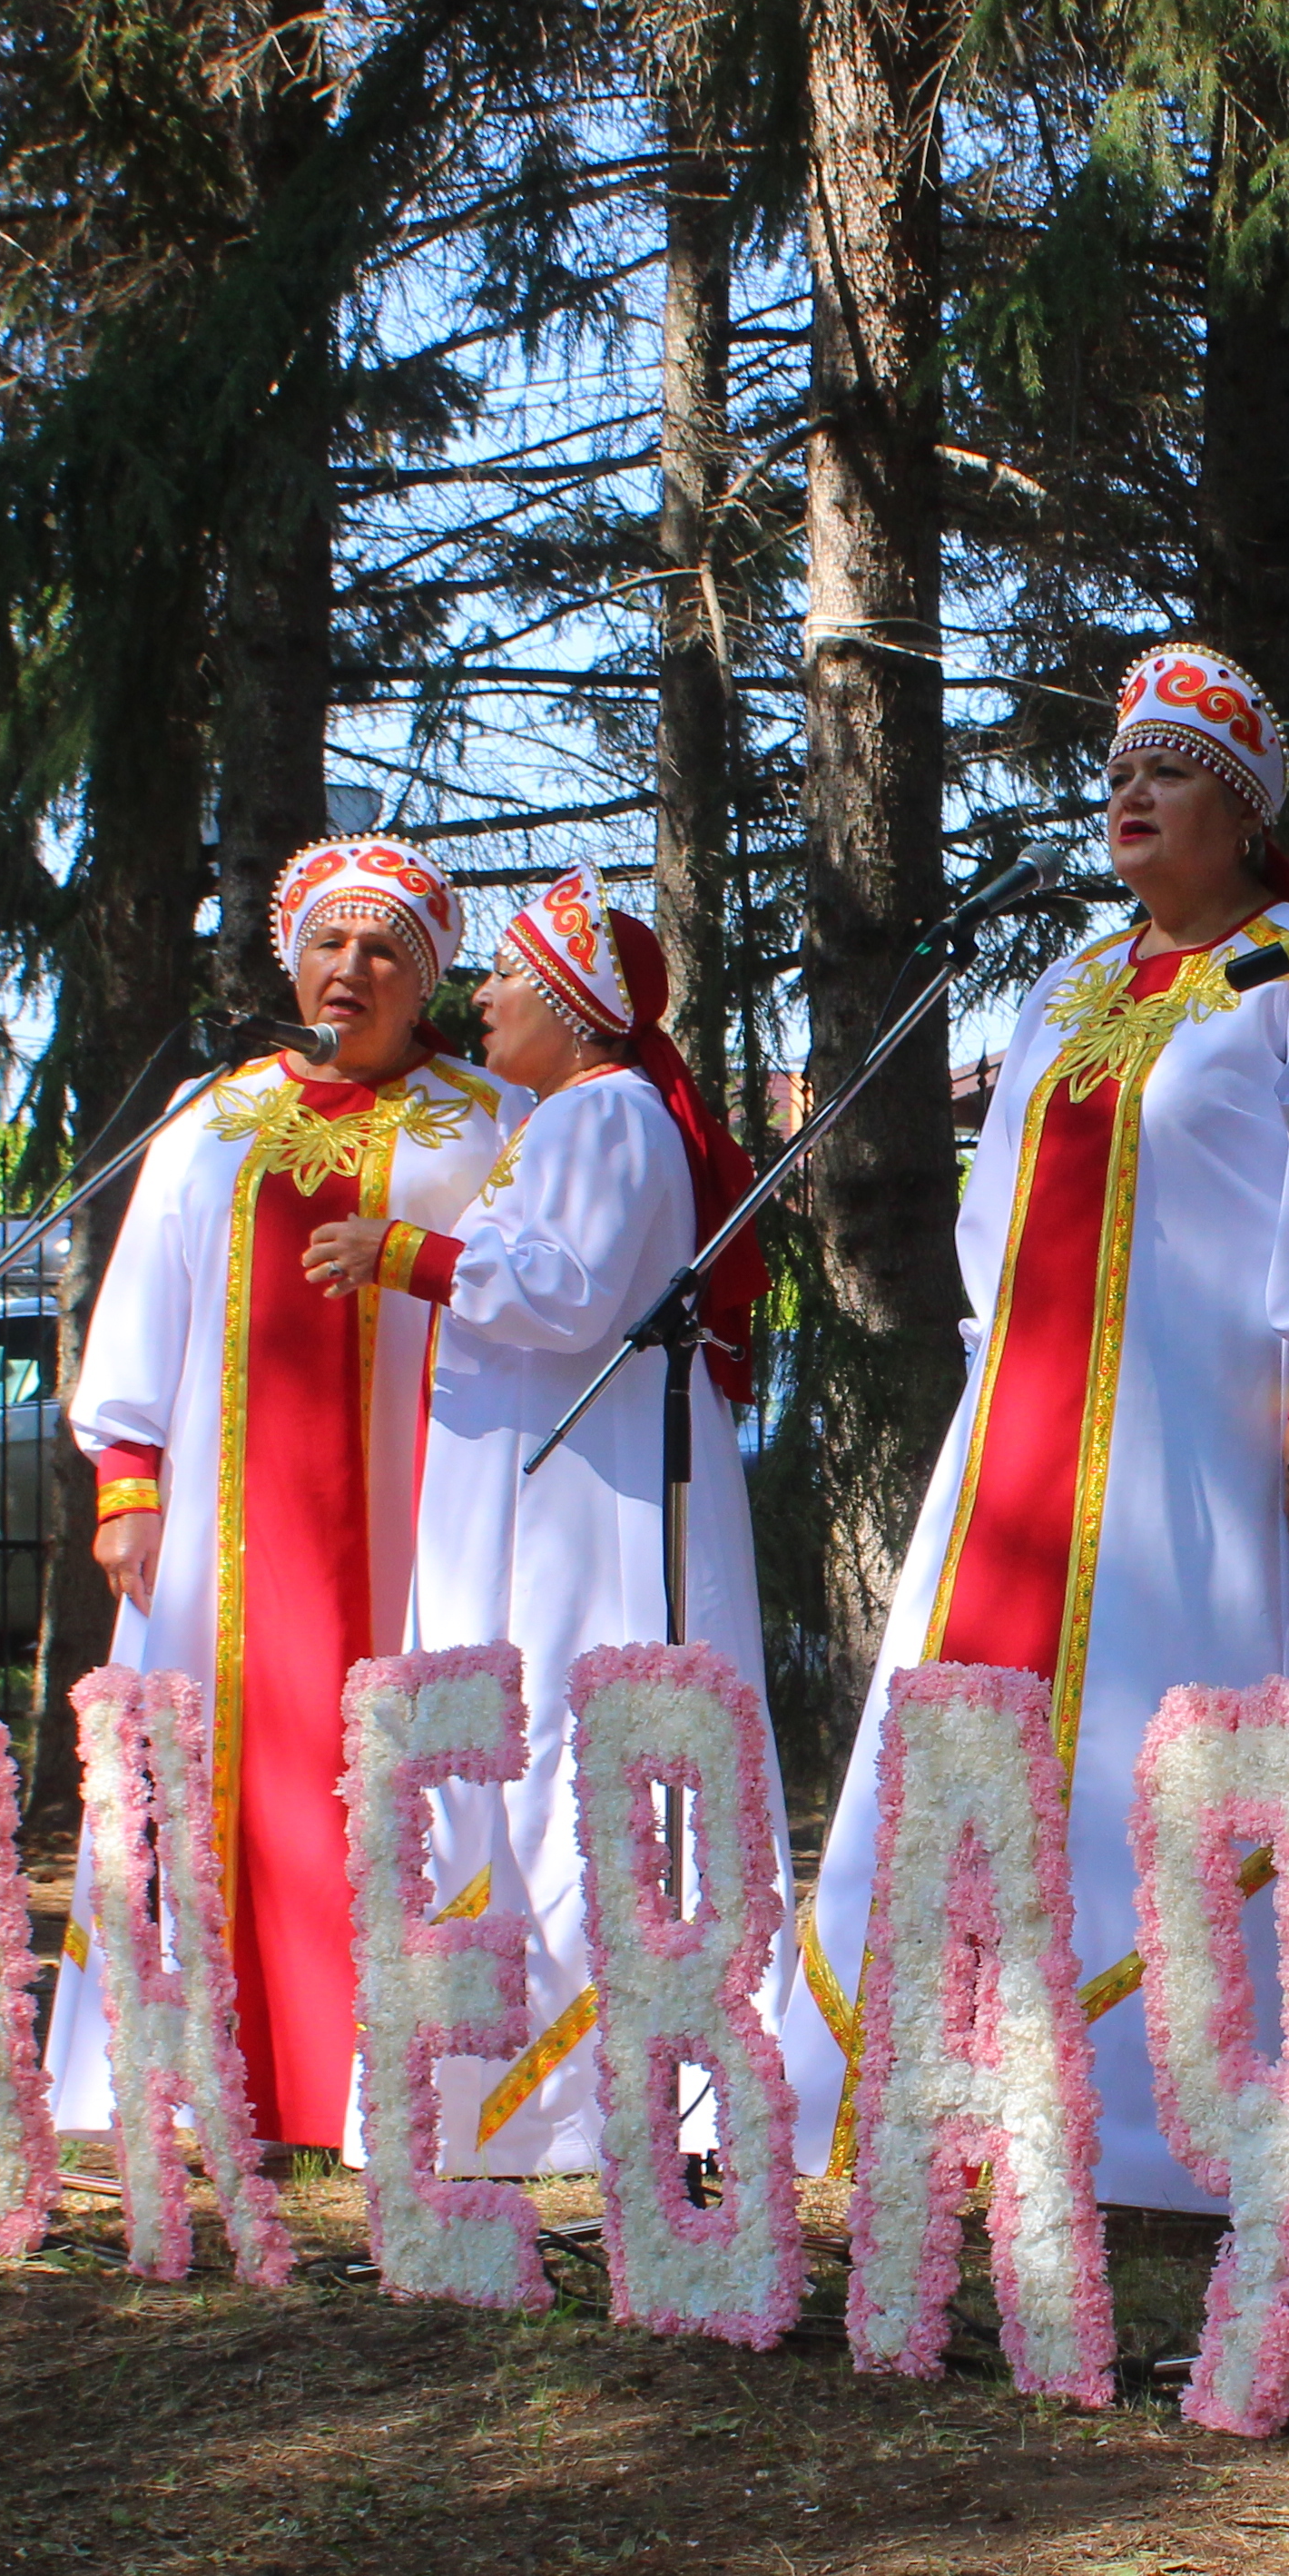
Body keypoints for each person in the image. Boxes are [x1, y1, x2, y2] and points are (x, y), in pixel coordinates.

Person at [781, 645, 1289, 2210]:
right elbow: (997, 1212)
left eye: (1170, 772)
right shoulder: (1070, 983)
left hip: (1221, 1432)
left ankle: (1187, 2130)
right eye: (1119, 773)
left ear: (1240, 810)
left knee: (1191, 1740)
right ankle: (949, 2087)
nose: (1132, 796)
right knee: (985, 1726)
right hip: (1035, 1420)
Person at [47, 837, 521, 2158]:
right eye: (329, 944)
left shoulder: (489, 1118)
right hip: (222, 1538)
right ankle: (205, 2069)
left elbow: (540, 1290)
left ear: (424, 980)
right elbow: (143, 1294)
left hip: (419, 1526)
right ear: (292, 963)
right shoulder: (212, 1118)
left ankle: (400, 2083)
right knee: (210, 1769)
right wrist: (126, 1479)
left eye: (382, 950)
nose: (349, 970)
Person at [381, 865, 810, 2174]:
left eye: (505, 976)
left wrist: (408, 1253)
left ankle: (602, 2082)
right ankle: (534, 2083)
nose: (483, 997)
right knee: (540, 1741)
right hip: (548, 1482)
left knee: (577, 1741)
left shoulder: (603, 1111)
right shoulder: (567, 1115)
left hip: (589, 1499)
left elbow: (566, 1295)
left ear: (570, 1003)